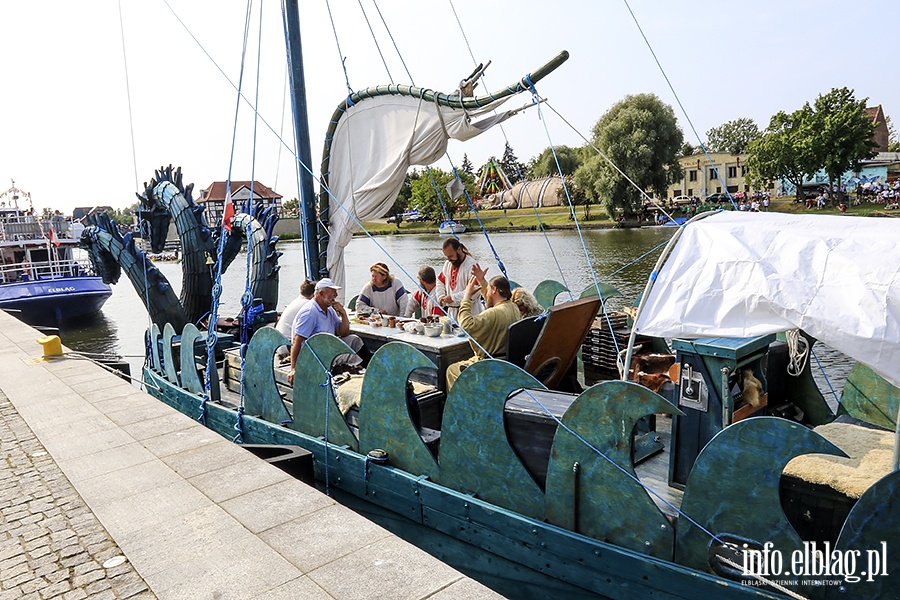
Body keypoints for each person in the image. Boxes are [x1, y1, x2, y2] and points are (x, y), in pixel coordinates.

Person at [445, 272, 520, 388]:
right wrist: (482, 281)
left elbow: (466, 325)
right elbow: (491, 300)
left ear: (494, 290)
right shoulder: (513, 307)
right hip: (506, 361)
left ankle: (461, 404)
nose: (486, 293)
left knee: (452, 370)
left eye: (489, 289)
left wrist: (466, 298)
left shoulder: (493, 313)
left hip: (489, 363)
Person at [289, 278, 365, 385]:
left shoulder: (329, 310)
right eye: (333, 292)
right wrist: (293, 368)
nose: (336, 295)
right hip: (315, 355)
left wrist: (343, 313)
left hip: (328, 347)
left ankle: (366, 368)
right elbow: (296, 341)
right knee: (351, 355)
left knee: (355, 340)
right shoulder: (310, 312)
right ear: (321, 294)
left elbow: (343, 333)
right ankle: (363, 374)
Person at [435, 237, 482, 320]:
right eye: (447, 257)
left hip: (470, 313)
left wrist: (453, 298)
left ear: (459, 250)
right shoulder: (448, 264)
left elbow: (475, 291)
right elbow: (440, 281)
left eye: (451, 256)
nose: (449, 259)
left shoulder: (471, 265)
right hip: (452, 314)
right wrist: (441, 296)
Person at [275, 279, 316, 358]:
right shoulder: (308, 305)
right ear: (313, 295)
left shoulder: (296, 301)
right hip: (288, 346)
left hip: (279, 344)